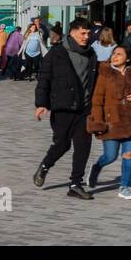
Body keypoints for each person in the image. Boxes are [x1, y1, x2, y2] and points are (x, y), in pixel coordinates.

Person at [32, 17, 98, 199]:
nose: (87, 37)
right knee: (62, 144)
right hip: (63, 107)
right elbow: (43, 79)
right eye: (83, 33)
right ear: (72, 32)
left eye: (88, 33)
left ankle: (75, 184)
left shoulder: (91, 54)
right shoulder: (56, 53)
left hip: (84, 109)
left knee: (83, 146)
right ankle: (45, 166)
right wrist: (41, 104)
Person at [86, 44, 131, 200]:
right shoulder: (104, 74)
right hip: (112, 123)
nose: (115, 56)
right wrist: (98, 122)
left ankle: (124, 187)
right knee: (110, 156)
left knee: (129, 155)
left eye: (119, 54)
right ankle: (96, 167)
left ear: (128, 58)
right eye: (114, 54)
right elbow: (97, 100)